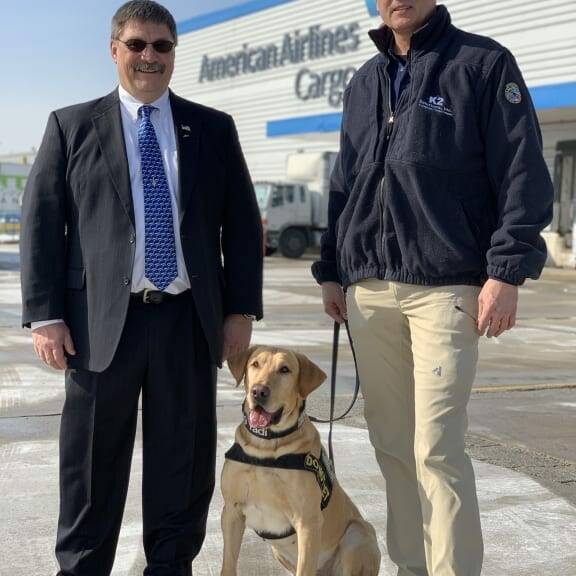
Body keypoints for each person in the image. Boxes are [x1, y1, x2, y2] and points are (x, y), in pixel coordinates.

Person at [20, 1, 263, 574]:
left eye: (162, 46)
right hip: (100, 327)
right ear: (114, 50)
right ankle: (80, 566)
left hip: (187, 322)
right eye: (137, 44)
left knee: (183, 464)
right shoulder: (71, 125)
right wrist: (46, 314)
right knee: (90, 467)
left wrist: (240, 311)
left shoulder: (211, 128)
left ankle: (171, 566)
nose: (149, 57)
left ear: (174, 53)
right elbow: (40, 225)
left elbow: (242, 226)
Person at [312, 1, 553, 575]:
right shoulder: (364, 81)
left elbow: (523, 170)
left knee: (436, 449)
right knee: (393, 448)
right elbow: (346, 181)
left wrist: (505, 270)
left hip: (446, 286)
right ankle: (411, 568)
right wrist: (332, 269)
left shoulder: (483, 64)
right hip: (369, 289)